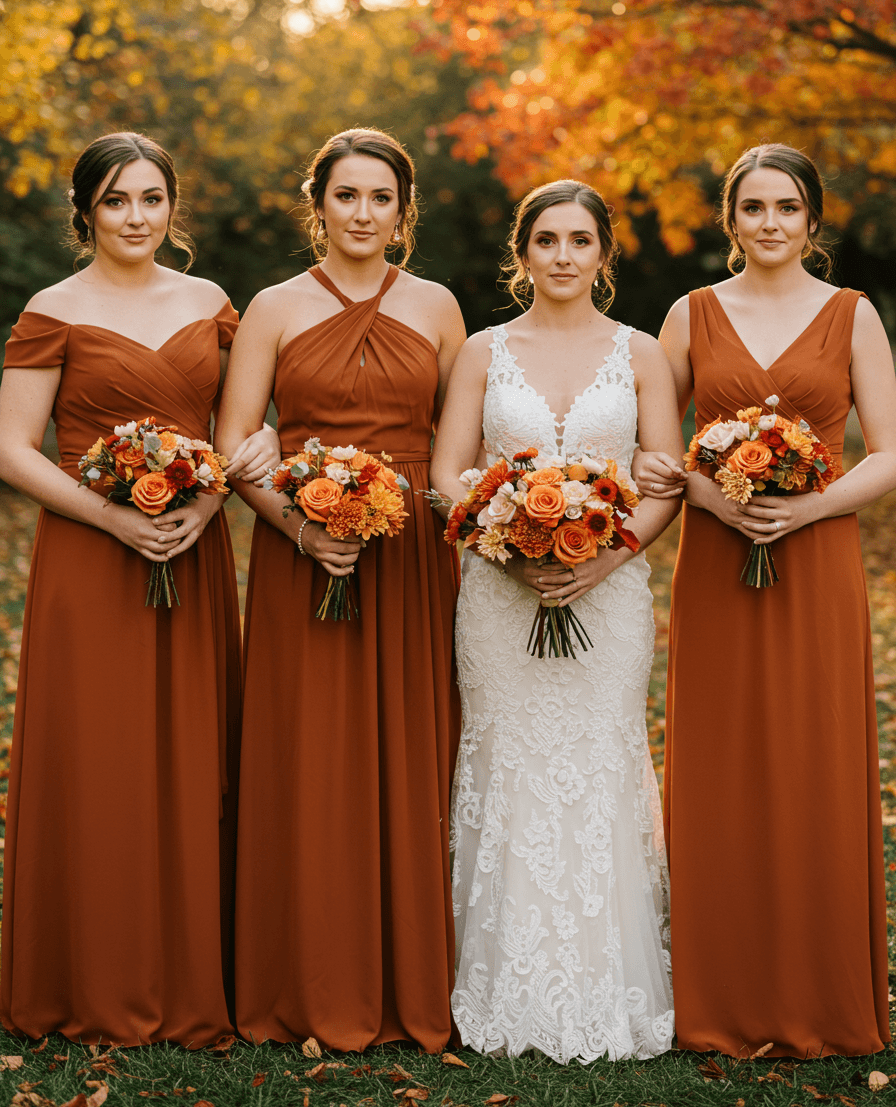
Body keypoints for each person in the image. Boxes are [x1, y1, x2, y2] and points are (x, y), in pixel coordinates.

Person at [0, 131, 279, 1045]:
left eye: (151, 198)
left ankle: (193, 971)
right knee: (101, 755)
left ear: (172, 207)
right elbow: (11, 446)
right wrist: (110, 515)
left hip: (189, 551)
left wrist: (209, 505)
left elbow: (248, 432)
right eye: (116, 201)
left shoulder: (212, 305)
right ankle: (92, 972)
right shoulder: (55, 307)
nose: (135, 217)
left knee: (191, 754)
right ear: (86, 211)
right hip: (92, 555)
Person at [636, 143, 896, 1057]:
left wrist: (807, 509)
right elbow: (653, 451)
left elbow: (890, 451)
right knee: (724, 760)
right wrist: (719, 499)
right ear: (730, 219)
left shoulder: (853, 316)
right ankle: (720, 991)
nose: (771, 223)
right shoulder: (689, 315)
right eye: (754, 208)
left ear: (813, 222)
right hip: (718, 559)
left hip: (817, 562)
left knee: (811, 755)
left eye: (787, 208)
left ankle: (820, 993)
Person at [216, 127, 466, 1050]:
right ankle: (303, 972)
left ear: (404, 211)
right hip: (301, 549)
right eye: (346, 196)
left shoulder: (440, 307)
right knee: (307, 754)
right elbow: (237, 445)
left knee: (410, 750)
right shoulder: (274, 307)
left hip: (408, 557)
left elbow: (456, 445)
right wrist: (302, 528)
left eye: (381, 198)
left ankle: (409, 974)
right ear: (316, 203)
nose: (363, 214)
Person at [430, 179, 682, 1062]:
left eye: (581, 240)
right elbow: (447, 471)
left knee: (601, 758)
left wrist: (604, 557)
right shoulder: (480, 352)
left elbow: (663, 478)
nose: (565, 256)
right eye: (547, 240)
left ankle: (609, 985)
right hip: (499, 596)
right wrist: (507, 543)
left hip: (610, 601)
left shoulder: (643, 353)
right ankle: (496, 984)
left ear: (604, 255)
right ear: (523, 252)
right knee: (505, 757)